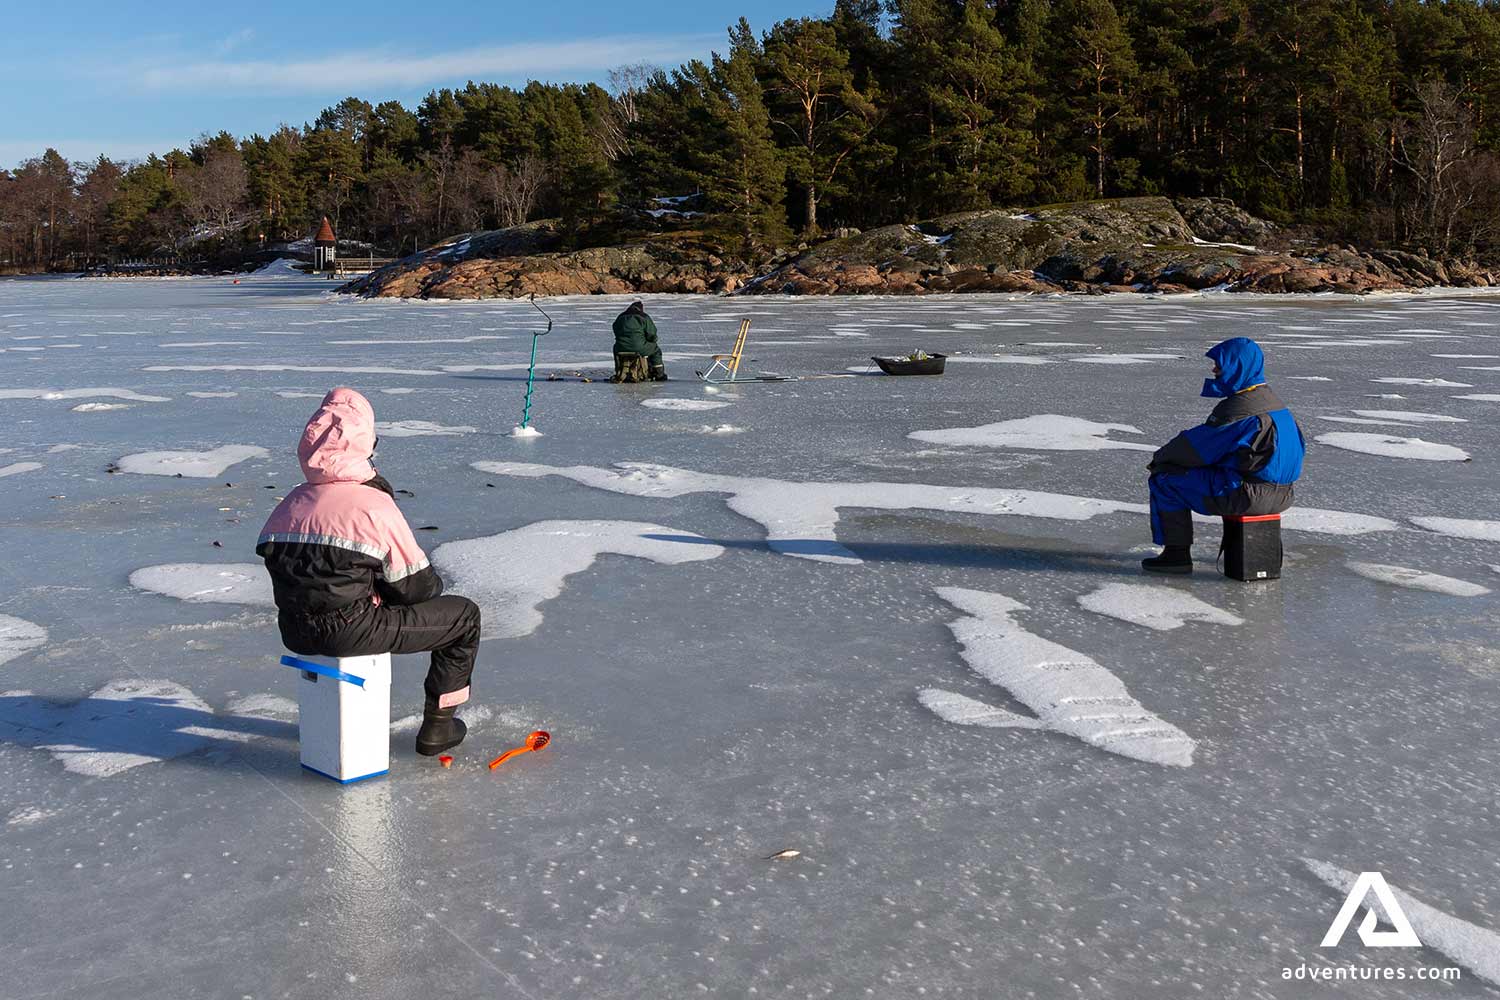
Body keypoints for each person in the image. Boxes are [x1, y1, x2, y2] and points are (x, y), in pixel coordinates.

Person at [257, 388, 480, 755]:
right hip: (352, 629)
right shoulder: (372, 506)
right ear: (366, 444)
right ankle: (439, 724)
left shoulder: (289, 504)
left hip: (294, 630)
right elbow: (418, 589)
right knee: (465, 618)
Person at [1142, 337, 1305, 575]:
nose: (1214, 370)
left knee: (1164, 480)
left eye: (1220, 364)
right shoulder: (1275, 405)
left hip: (1248, 496)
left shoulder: (1241, 410)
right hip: (1283, 494)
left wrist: (1160, 460)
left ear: (1237, 366)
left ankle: (1175, 556)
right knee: (1223, 473)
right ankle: (1263, 553)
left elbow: (1195, 448)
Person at [612, 300, 666, 381]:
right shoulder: (644, 317)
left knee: (615, 348)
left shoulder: (620, 317)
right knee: (656, 350)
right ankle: (659, 374)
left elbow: (615, 329)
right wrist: (651, 341)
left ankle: (619, 371)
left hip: (620, 347)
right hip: (639, 347)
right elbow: (652, 334)